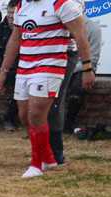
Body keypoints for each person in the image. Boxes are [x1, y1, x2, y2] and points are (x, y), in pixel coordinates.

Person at [0, 0, 95, 178]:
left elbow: (81, 36)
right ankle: (49, 158)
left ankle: (36, 165)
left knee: (36, 114)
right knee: (24, 115)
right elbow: (15, 39)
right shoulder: (22, 5)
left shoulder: (62, 4)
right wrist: (3, 71)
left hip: (51, 64)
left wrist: (88, 68)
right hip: (25, 65)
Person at [49, 0, 100, 166]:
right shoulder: (57, 24)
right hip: (57, 66)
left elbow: (91, 56)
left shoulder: (92, 28)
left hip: (78, 68)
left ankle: (66, 128)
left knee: (71, 94)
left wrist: (84, 69)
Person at [65, 16, 102, 141]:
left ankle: (68, 123)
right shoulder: (59, 26)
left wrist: (70, 69)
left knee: (77, 89)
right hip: (61, 66)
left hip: (82, 68)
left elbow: (93, 59)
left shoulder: (93, 28)